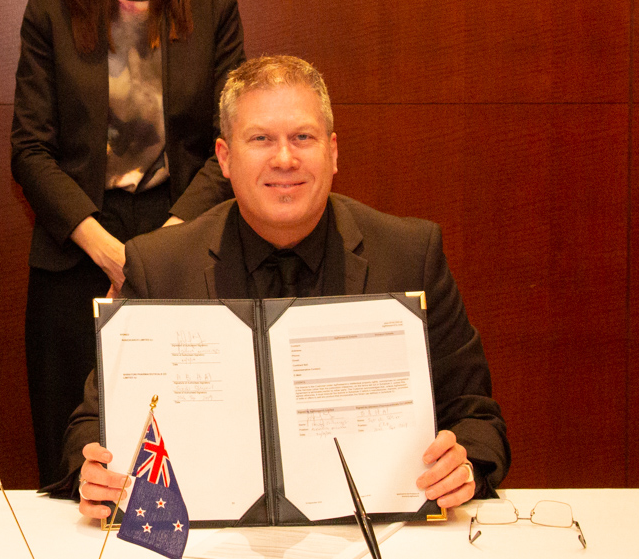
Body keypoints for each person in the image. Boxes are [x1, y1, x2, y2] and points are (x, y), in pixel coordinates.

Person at [59, 55, 508, 520]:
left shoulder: (410, 255)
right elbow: (90, 426)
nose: (285, 158)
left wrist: (465, 464)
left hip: (380, 538)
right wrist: (92, 472)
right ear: (225, 158)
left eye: (303, 138)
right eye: (261, 139)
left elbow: (477, 418)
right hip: (203, 552)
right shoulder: (160, 267)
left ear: (333, 152)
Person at [12, 0, 245, 487]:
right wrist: (110, 251)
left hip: (188, 251)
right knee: (74, 470)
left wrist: (161, 250)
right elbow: (30, 150)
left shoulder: (214, 8)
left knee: (188, 465)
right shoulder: (48, 14)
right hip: (76, 262)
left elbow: (231, 141)